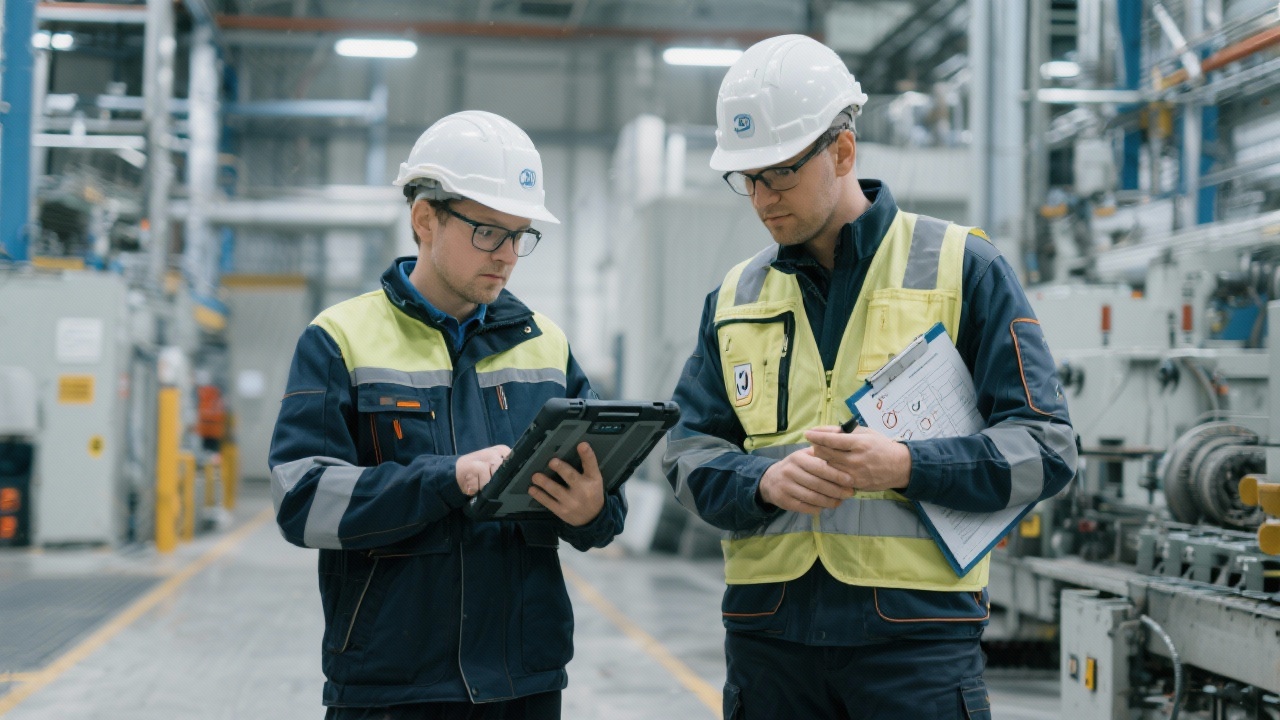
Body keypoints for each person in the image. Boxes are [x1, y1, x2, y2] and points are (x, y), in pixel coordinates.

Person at [662, 35, 1077, 720]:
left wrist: (909, 465)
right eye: (748, 179)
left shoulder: (963, 268)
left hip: (914, 646)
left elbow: (1048, 449)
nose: (763, 199)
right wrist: (759, 481)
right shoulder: (737, 295)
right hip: (771, 644)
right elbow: (684, 449)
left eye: (780, 173)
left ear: (843, 152)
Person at [269, 110, 625, 719]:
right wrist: (446, 478)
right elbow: (302, 501)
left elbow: (606, 506)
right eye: (489, 232)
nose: (509, 255)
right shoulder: (339, 340)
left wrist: (592, 512)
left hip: (523, 684)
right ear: (425, 219)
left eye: (521, 235)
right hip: (392, 686)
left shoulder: (547, 347)